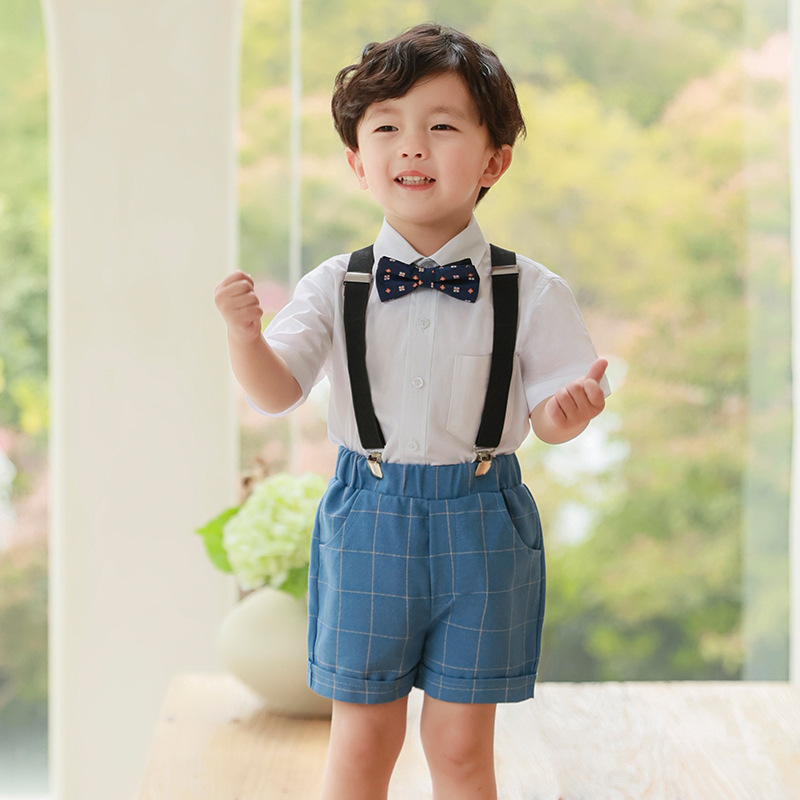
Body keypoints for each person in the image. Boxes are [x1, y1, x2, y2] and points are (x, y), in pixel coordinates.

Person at [214, 22, 610, 800]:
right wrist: (242, 336)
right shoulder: (336, 284)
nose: (413, 147)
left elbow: (552, 418)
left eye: (441, 126)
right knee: (361, 742)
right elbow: (275, 391)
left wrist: (572, 411)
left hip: (484, 520)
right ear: (359, 162)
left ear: (495, 159)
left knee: (460, 748)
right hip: (368, 518)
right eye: (387, 128)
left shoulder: (532, 291)